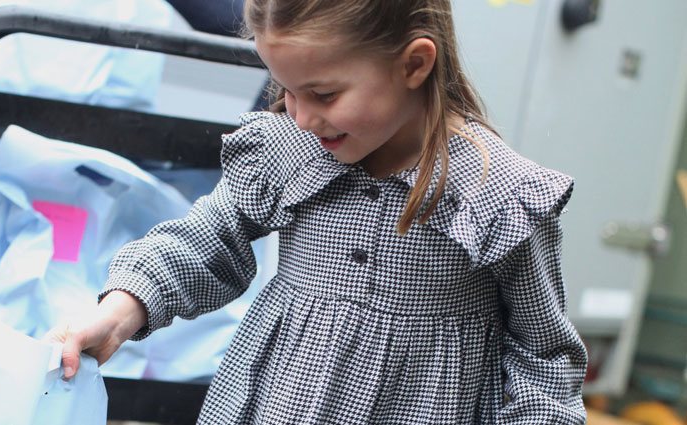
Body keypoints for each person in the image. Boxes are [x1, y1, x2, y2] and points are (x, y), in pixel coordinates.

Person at [51, 0, 588, 422]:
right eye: (284, 90)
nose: (302, 116)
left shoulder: (498, 198)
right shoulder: (291, 151)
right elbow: (206, 239)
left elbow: (544, 358)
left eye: (324, 94)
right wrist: (122, 311)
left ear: (415, 64)